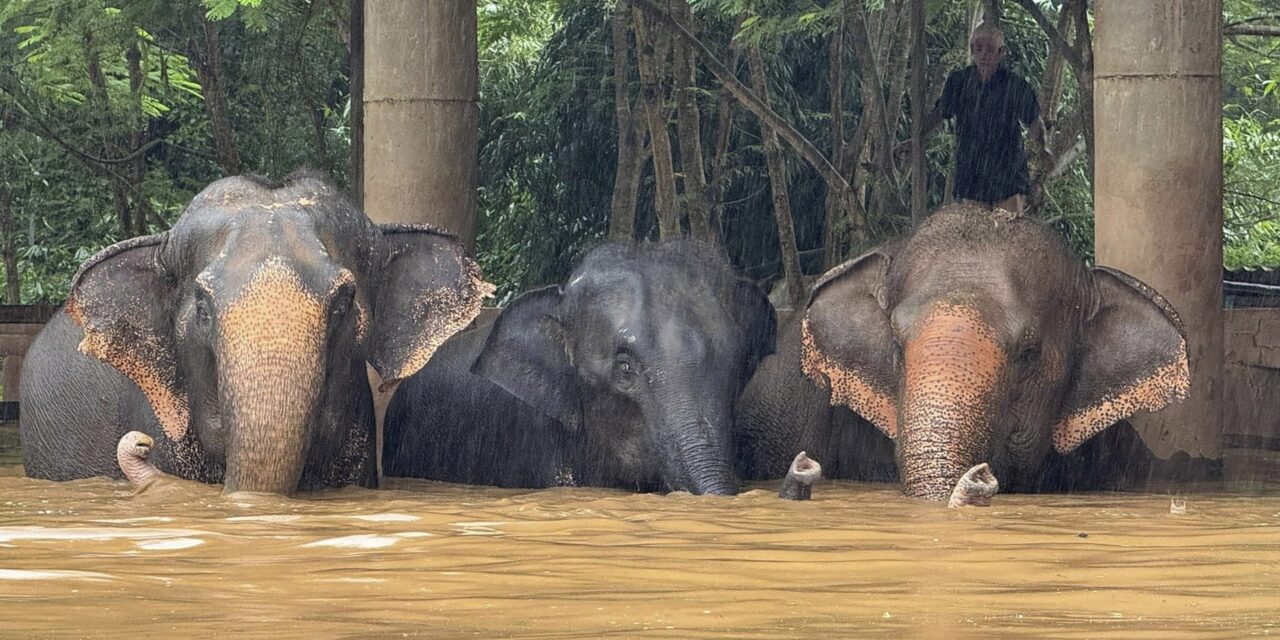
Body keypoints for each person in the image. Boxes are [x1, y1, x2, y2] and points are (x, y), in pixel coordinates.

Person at [908, 22, 1049, 214]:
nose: (984, 55)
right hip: (972, 173)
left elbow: (1035, 121)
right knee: (976, 237)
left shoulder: (1015, 85)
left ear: (1001, 52)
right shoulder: (959, 82)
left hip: (1008, 174)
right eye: (979, 48)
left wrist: (1037, 155)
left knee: (1008, 234)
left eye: (990, 49)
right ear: (972, 49)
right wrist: (916, 138)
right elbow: (939, 113)